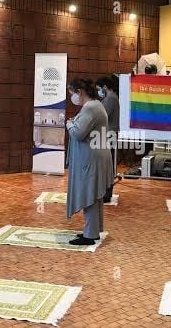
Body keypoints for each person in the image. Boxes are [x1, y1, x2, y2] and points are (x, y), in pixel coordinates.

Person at [66, 78, 113, 246]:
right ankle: (92, 231)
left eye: (72, 93)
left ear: (79, 92)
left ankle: (90, 234)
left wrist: (69, 124)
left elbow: (78, 133)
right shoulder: (95, 105)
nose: (72, 97)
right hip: (96, 155)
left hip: (92, 158)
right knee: (94, 194)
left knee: (90, 194)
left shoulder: (91, 107)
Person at [96, 75, 120, 203]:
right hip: (107, 134)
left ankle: (106, 194)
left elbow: (102, 115)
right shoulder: (109, 97)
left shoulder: (111, 98)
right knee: (106, 165)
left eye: (99, 88)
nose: (99, 91)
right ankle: (105, 193)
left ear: (105, 87)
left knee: (107, 165)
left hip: (108, 134)